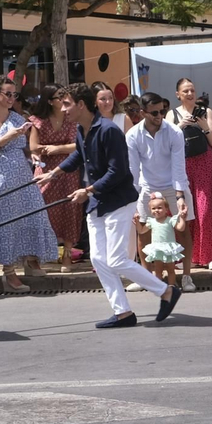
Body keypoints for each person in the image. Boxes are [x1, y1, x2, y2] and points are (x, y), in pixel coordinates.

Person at [35, 84, 182, 328]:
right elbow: (80, 156)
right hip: (97, 203)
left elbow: (118, 171)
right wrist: (54, 174)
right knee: (99, 259)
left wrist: (88, 190)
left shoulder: (108, 130)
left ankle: (166, 291)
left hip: (117, 201)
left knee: (115, 259)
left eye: (67, 104)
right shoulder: (83, 129)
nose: (63, 109)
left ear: (81, 104)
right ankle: (123, 312)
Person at [0, 76, 60, 293]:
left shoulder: (17, 117)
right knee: (5, 222)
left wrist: (33, 156)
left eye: (14, 94)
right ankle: (9, 273)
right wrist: (5, 138)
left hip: (22, 173)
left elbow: (24, 147)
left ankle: (30, 259)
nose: (11, 98)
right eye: (7, 94)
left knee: (32, 215)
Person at [126, 92, 192, 285]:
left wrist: (180, 197)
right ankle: (145, 278)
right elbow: (133, 170)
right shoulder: (132, 135)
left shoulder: (174, 132)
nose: (159, 116)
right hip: (147, 185)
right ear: (142, 112)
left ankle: (187, 276)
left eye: (162, 111)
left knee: (183, 227)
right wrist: (133, 199)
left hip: (173, 183)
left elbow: (179, 167)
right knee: (143, 229)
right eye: (154, 112)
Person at [168, 77, 212, 286]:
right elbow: (167, 141)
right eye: (185, 91)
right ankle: (183, 256)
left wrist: (203, 126)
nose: (190, 94)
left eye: (192, 90)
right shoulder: (171, 115)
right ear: (178, 94)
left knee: (205, 208)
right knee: (184, 210)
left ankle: (209, 255)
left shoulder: (205, 112)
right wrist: (180, 125)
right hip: (182, 165)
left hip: (204, 163)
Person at [27, 89, 82, 273]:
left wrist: (55, 149)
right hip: (45, 169)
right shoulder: (38, 120)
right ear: (50, 101)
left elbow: (78, 145)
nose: (63, 100)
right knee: (42, 209)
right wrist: (57, 149)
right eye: (59, 98)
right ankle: (36, 256)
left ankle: (67, 255)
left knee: (69, 208)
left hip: (68, 169)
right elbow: (34, 146)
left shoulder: (71, 118)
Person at [141, 194, 186, 287]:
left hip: (169, 248)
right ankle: (159, 286)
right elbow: (141, 231)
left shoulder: (170, 220)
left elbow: (180, 228)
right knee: (158, 269)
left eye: (160, 208)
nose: (156, 210)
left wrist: (182, 218)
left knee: (170, 268)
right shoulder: (151, 221)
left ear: (166, 209)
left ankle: (171, 285)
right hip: (157, 248)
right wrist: (137, 222)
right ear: (150, 210)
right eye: (153, 208)